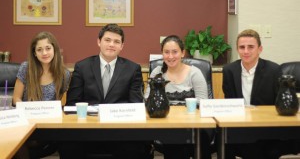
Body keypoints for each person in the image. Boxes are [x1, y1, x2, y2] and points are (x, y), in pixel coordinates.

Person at [60, 24, 152, 159]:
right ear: (99, 42)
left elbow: (136, 106)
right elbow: (72, 104)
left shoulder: (132, 69)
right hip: (87, 129)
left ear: (122, 46)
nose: (111, 45)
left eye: (116, 42)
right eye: (107, 40)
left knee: (135, 147)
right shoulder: (82, 67)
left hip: (120, 131)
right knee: (68, 146)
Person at [222, 29, 295, 159]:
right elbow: (229, 101)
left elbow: (278, 103)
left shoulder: (274, 70)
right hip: (239, 125)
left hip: (266, 127)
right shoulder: (229, 70)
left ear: (260, 49)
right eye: (242, 47)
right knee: (224, 141)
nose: (245, 51)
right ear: (237, 49)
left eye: (251, 47)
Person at [145, 35, 211, 159]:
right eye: (166, 52)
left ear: (182, 53)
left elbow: (203, 102)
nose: (170, 56)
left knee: (199, 139)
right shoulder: (157, 73)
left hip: (193, 125)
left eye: (174, 52)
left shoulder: (194, 73)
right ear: (162, 54)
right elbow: (148, 99)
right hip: (166, 125)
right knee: (173, 138)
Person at [13, 31, 71, 158]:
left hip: (48, 125)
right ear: (34, 53)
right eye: (39, 49)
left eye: (48, 48)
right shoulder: (26, 68)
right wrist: (25, 111)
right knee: (20, 143)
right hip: (26, 123)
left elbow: (61, 102)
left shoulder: (64, 74)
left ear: (54, 49)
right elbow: (16, 98)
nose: (44, 53)